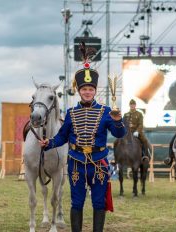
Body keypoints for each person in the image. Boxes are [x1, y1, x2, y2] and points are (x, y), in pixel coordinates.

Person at [39, 43, 126, 232]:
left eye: (91, 89)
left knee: (98, 203)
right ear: (79, 91)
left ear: (95, 91)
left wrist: (118, 121)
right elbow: (62, 137)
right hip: (76, 162)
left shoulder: (106, 112)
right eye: (84, 89)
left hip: (99, 162)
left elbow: (119, 134)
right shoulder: (71, 113)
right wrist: (49, 143)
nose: (87, 92)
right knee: (76, 203)